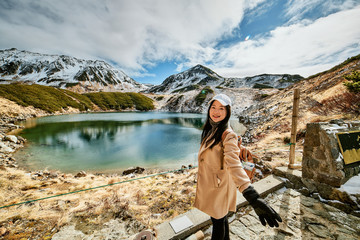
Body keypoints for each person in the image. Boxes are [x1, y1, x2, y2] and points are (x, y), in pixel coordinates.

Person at [194, 93, 282, 240]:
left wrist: (252, 196)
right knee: (220, 218)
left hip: (218, 187)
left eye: (221, 108)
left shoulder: (228, 135)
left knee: (217, 222)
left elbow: (234, 164)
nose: (216, 112)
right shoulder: (211, 129)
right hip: (214, 184)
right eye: (213, 107)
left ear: (228, 112)